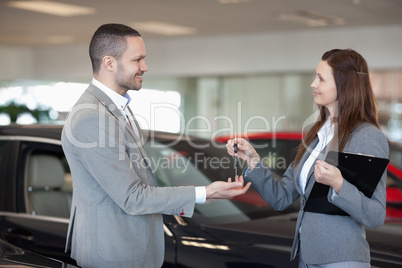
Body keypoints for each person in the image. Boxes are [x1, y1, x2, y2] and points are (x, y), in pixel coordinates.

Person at [61, 23, 251, 268]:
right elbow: (132, 197)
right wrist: (205, 193)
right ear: (109, 63)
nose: (145, 67)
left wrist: (203, 193)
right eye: (137, 59)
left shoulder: (116, 108)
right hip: (114, 256)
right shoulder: (93, 118)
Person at [226, 49, 389, 267]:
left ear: (344, 84)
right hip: (307, 257)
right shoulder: (316, 134)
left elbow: (375, 215)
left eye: (321, 78)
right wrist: (253, 159)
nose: (313, 84)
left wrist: (338, 184)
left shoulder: (366, 137)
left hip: (341, 259)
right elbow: (281, 197)